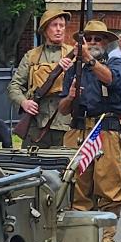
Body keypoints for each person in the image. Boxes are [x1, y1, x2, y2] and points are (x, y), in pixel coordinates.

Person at [58, 19, 121, 242]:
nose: (93, 42)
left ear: (106, 42)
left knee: (109, 183)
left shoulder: (114, 62)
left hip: (105, 127)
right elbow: (63, 109)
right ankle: (82, 239)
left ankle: (108, 238)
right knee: (77, 187)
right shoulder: (73, 67)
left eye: (98, 39)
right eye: (89, 39)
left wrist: (89, 59)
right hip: (78, 128)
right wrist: (70, 96)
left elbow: (111, 80)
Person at [7, 8, 75, 148]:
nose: (59, 29)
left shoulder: (73, 54)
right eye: (54, 25)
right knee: (31, 166)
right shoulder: (31, 56)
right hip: (36, 123)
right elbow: (14, 86)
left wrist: (70, 71)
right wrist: (24, 102)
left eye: (61, 26)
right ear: (45, 29)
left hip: (64, 123)